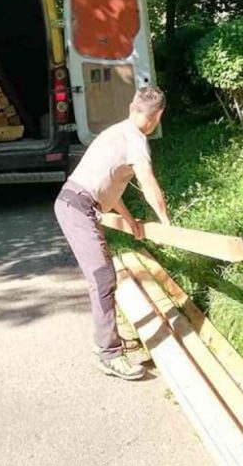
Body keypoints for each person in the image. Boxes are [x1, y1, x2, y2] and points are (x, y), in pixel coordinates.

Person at [54, 86, 170, 380]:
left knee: (102, 276)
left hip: (74, 202)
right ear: (157, 117)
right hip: (78, 208)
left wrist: (130, 221)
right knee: (103, 276)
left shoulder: (115, 132)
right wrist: (167, 224)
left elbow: (109, 185)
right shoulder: (136, 140)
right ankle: (109, 354)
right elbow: (147, 182)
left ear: (132, 106)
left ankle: (107, 340)